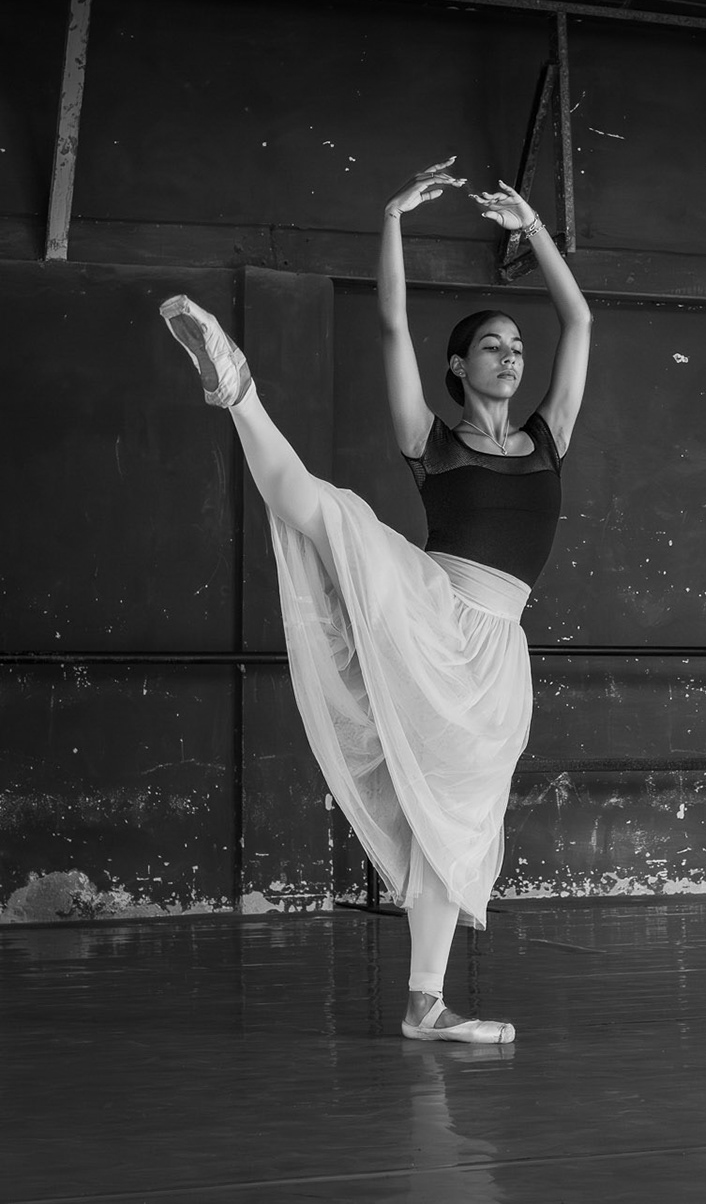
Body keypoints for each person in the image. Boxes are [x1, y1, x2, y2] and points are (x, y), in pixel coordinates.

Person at [158, 157, 591, 1042]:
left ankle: (426, 1004)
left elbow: (580, 319)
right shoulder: (431, 440)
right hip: (431, 605)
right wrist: (392, 218)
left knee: (454, 821)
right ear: (458, 366)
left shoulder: (549, 438)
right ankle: (238, 392)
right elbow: (392, 323)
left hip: (497, 654)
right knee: (329, 512)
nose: (512, 355)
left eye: (518, 345)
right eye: (493, 345)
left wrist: (535, 231)